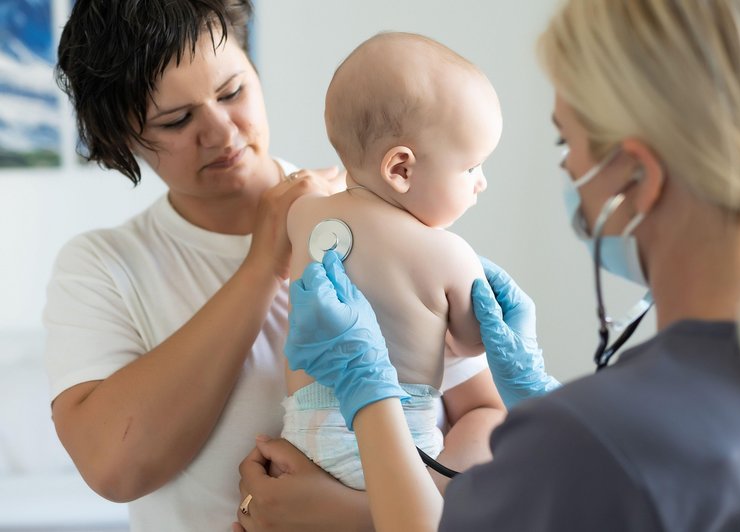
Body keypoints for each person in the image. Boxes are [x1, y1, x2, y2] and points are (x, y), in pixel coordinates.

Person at [257, 0, 740, 530]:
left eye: (567, 139)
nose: (564, 165)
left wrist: (367, 402)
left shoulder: (591, 442)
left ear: (636, 176)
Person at [44, 1, 509, 531]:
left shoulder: (379, 213)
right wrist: (262, 264)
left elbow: (487, 415)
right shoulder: (101, 267)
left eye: (232, 92)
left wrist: (371, 513)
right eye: (177, 120)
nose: (222, 132)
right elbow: (114, 467)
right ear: (121, 140)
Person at [278, 32, 555, 491]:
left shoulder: (305, 214)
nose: (480, 183)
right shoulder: (450, 255)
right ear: (401, 169)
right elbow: (469, 343)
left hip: (305, 439)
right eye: (471, 167)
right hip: (402, 445)